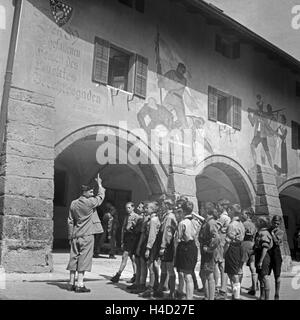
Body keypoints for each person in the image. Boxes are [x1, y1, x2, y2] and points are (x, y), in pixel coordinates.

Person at [66, 174, 105, 293]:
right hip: (87, 235)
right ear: (85, 192)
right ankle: (80, 284)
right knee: (84, 258)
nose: (92, 193)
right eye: (91, 191)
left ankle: (71, 282)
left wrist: (70, 235)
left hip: (75, 235)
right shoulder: (90, 202)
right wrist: (99, 184)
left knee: (74, 258)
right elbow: (101, 196)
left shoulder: (73, 203)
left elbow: (70, 221)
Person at [111, 202, 141, 283]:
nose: (127, 209)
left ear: (133, 208)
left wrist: (131, 227)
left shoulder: (136, 217)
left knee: (128, 257)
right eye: (126, 208)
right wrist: (122, 240)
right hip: (127, 238)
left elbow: (137, 230)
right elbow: (123, 229)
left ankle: (119, 274)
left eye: (129, 208)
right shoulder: (126, 217)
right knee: (129, 257)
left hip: (132, 238)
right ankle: (134, 275)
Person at [153, 198, 178, 299]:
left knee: (169, 269)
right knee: (163, 268)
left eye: (163, 204)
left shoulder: (169, 217)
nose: (162, 206)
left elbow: (167, 234)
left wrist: (163, 246)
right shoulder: (166, 216)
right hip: (165, 245)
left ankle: (172, 293)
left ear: (167, 205)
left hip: (168, 246)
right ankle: (160, 289)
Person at [175, 201, 198, 300]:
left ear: (183, 211)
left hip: (185, 247)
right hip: (193, 246)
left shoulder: (183, 223)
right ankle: (187, 296)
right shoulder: (196, 221)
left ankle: (187, 297)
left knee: (186, 275)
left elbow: (178, 238)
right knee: (189, 273)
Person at [139, 201, 161, 298]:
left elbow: (152, 235)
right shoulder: (152, 219)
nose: (145, 209)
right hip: (154, 245)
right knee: (153, 265)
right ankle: (155, 285)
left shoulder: (153, 220)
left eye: (147, 208)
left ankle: (151, 288)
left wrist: (148, 248)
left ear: (152, 209)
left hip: (152, 245)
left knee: (151, 265)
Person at [199, 204, 220, 300]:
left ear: (207, 210)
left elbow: (216, 238)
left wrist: (210, 248)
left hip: (208, 252)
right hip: (205, 252)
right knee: (204, 273)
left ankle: (211, 298)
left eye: (202, 208)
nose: (200, 210)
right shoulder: (207, 221)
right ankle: (207, 296)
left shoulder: (211, 222)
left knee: (210, 276)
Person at [224, 204, 245, 300]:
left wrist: (224, 253)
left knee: (233, 274)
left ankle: (236, 296)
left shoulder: (232, 225)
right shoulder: (241, 223)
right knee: (236, 271)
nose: (228, 211)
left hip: (232, 249)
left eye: (229, 209)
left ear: (232, 211)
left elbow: (228, 241)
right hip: (239, 247)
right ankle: (235, 294)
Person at [214, 199, 231, 298]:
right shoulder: (228, 217)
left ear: (223, 206)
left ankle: (216, 287)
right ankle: (223, 288)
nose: (217, 207)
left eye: (219, 205)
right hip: (223, 241)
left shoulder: (222, 217)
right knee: (222, 264)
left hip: (220, 241)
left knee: (217, 264)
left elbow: (215, 228)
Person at [253, 216, 273, 300]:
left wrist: (261, 261)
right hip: (259, 255)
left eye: (257, 221)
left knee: (264, 277)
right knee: (261, 277)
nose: (256, 223)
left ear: (261, 223)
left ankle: (266, 298)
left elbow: (265, 248)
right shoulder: (260, 232)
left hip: (263, 257)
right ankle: (262, 296)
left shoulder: (264, 233)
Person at [127, 202, 145, 291]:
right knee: (137, 263)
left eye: (140, 207)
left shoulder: (142, 219)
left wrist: (133, 226)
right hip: (136, 240)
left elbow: (140, 232)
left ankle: (139, 283)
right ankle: (137, 282)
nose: (138, 208)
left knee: (140, 264)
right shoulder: (140, 218)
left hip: (139, 241)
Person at [240, 208, 257, 296]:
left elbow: (241, 235)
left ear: (247, 215)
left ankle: (237, 287)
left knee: (240, 266)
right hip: (252, 244)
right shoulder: (254, 225)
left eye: (243, 214)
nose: (241, 215)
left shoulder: (244, 224)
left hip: (245, 244)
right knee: (252, 267)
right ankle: (254, 287)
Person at [269, 215, 284, 300]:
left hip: (276, 254)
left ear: (280, 223)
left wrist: (272, 234)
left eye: (278, 223)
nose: (276, 225)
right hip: (268, 254)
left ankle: (276, 294)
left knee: (277, 276)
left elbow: (277, 243)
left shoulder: (280, 232)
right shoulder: (268, 229)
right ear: (272, 222)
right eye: (274, 223)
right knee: (265, 275)